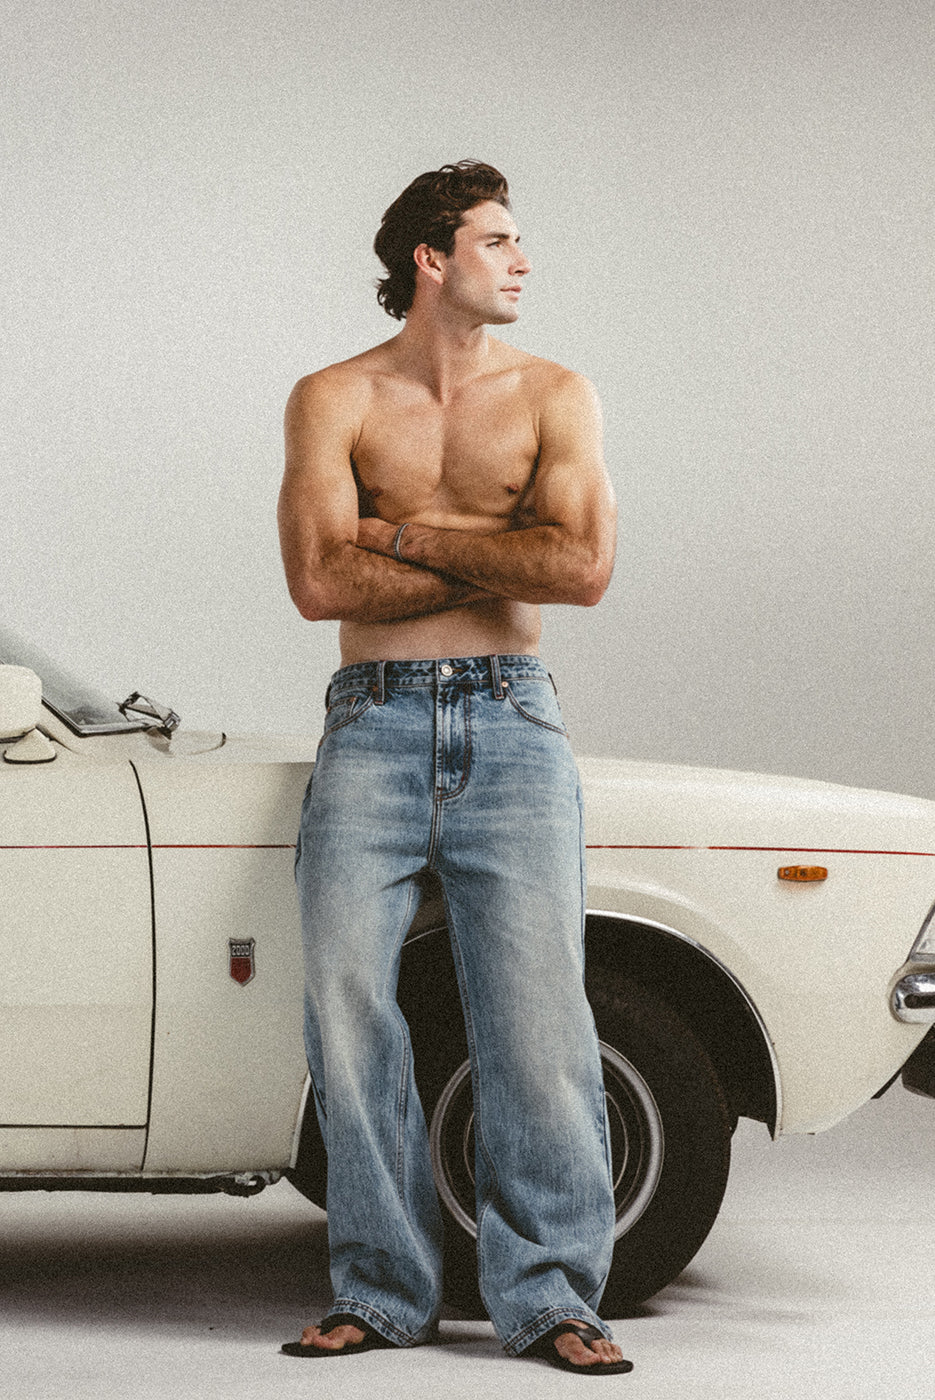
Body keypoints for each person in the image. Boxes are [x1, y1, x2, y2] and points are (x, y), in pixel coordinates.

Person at [277, 160, 629, 1376]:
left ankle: (551, 1295)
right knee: (344, 1008)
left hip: (510, 718)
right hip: (371, 720)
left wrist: (401, 534)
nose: (522, 260)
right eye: (498, 240)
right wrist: (496, 548)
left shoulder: (554, 393)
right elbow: (318, 579)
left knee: (537, 1016)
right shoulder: (333, 397)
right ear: (432, 259)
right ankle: (381, 1289)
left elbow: (580, 568)